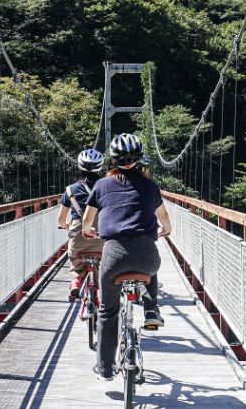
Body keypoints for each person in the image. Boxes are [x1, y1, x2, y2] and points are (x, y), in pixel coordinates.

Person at [81, 132, 172, 380]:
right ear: (141, 158)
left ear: (112, 160)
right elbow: (164, 219)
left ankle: (106, 369)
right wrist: (167, 229)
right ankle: (151, 309)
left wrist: (89, 231)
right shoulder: (151, 186)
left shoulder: (101, 185)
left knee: (108, 312)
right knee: (150, 267)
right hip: (147, 254)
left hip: (114, 254)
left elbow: (86, 223)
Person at [58, 148, 105, 300]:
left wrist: (66, 225)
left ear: (79, 166)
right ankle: (97, 293)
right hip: (101, 237)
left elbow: (60, 220)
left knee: (77, 263)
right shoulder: (107, 187)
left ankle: (76, 281)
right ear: (100, 167)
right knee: (101, 264)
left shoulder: (70, 190)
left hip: (78, 238)